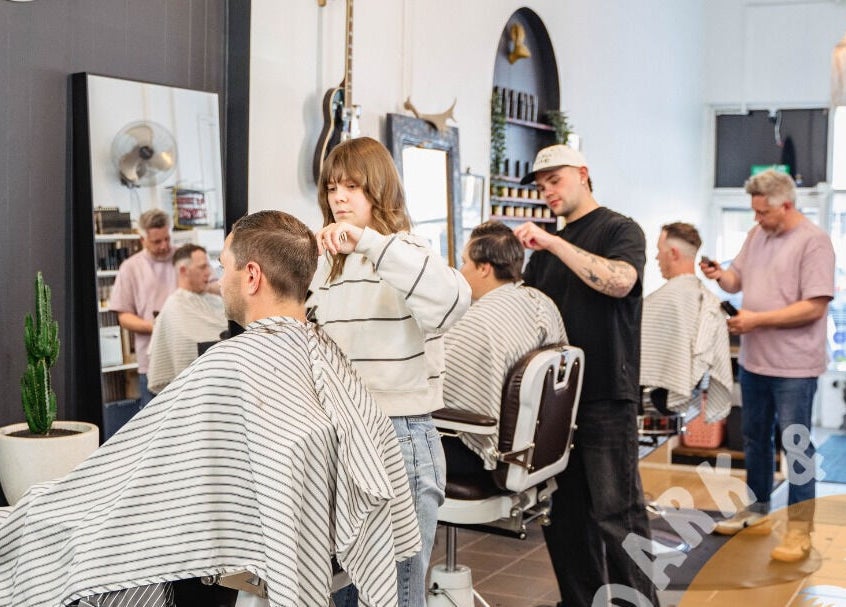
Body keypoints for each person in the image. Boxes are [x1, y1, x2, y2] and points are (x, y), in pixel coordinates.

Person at [0, 210, 421, 607]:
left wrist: (52, 505)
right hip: (319, 543)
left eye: (224, 267)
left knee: (46, 528)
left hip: (255, 548)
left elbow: (138, 477)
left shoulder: (232, 363)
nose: (220, 281)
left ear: (251, 276)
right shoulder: (326, 353)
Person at [309, 136, 471, 607]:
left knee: (395, 593)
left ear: (378, 190)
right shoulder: (329, 267)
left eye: (352, 187)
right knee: (346, 588)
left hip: (397, 438)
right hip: (341, 437)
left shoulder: (406, 250)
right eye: (331, 187)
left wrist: (369, 242)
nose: (338, 198)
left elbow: (453, 302)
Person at [513, 144, 659, 606]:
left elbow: (620, 282)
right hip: (556, 403)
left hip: (605, 397)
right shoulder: (542, 258)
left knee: (618, 515)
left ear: (583, 173)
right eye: (541, 186)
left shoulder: (620, 229)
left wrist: (554, 240)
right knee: (564, 518)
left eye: (555, 181)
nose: (547, 191)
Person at [701, 169, 835, 562]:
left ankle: (799, 529)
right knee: (755, 439)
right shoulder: (757, 235)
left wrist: (754, 320)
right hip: (756, 360)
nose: (757, 219)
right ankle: (758, 510)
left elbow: (813, 307)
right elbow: (736, 280)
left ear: (787, 205)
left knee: (796, 445)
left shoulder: (815, 243)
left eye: (763, 213)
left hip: (795, 366)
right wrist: (720, 275)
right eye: (754, 212)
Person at [442, 220, 567, 471]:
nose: (459, 269)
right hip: (534, 449)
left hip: (485, 457)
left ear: (484, 268)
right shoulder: (543, 304)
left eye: (464, 262)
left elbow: (439, 389)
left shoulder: (478, 321)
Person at [640, 222, 733, 421]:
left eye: (659, 251)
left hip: (654, 394)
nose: (656, 257)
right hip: (684, 393)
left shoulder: (665, 300)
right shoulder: (707, 299)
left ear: (673, 253)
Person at [108, 208, 177, 407]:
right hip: (152, 363)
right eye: (157, 241)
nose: (164, 246)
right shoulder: (130, 268)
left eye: (167, 238)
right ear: (142, 240)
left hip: (187, 358)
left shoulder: (184, 257)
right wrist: (156, 327)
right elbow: (124, 317)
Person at [147, 243, 228, 395]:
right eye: (202, 267)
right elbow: (185, 349)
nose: (209, 272)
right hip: (193, 390)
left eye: (208, 266)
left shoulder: (214, 300)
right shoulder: (174, 306)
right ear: (184, 271)